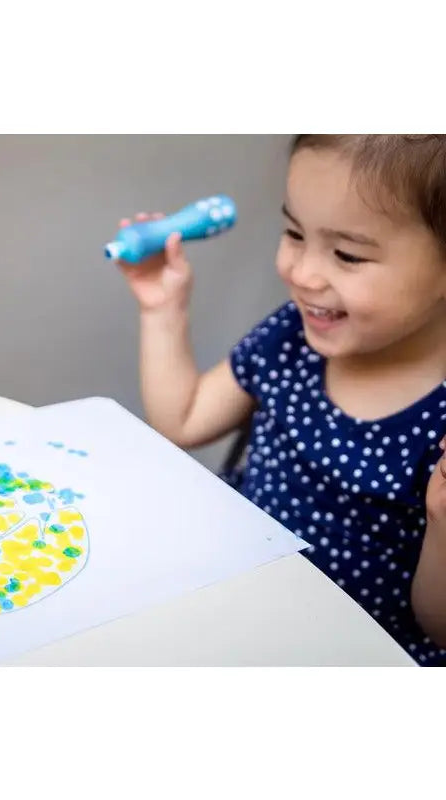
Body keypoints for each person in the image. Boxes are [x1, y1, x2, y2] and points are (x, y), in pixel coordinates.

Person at [117, 135, 446, 665]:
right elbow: (183, 421)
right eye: (294, 232)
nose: (302, 272)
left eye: (347, 254)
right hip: (234, 601)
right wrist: (162, 309)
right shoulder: (293, 335)